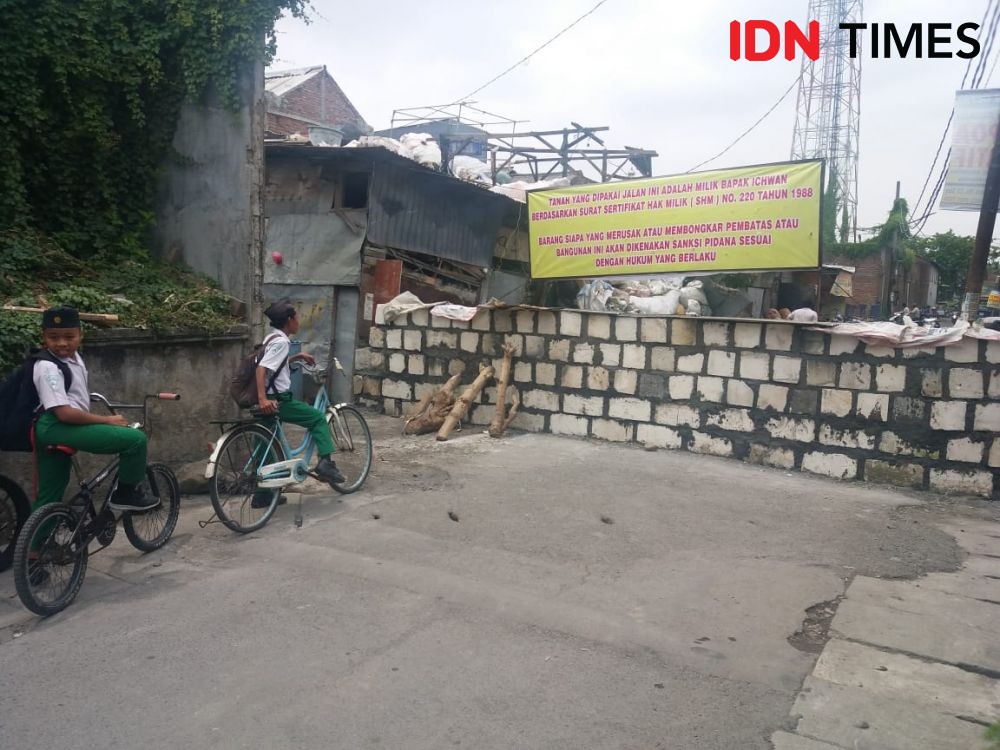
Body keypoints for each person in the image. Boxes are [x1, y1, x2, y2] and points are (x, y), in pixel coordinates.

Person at [32, 306, 159, 513]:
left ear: (80, 335)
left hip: (57, 426)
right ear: (44, 337)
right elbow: (64, 412)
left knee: (52, 490)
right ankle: (125, 493)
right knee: (135, 440)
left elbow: (72, 394)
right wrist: (106, 420)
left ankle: (38, 544)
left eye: (69, 336)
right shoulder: (48, 367)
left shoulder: (74, 359)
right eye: (54, 337)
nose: (62, 343)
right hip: (57, 425)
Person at [255, 299, 343, 506]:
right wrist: (262, 399)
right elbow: (261, 369)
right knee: (318, 418)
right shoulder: (282, 342)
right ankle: (325, 464)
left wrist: (296, 358)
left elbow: (271, 364)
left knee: (264, 445)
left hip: (268, 398)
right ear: (288, 320)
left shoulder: (271, 338)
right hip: (278, 400)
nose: (298, 320)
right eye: (296, 317)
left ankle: (262, 495)